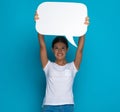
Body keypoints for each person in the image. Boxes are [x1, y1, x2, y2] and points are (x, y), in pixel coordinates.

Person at [34, 12, 89, 112]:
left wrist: (83, 28)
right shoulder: (48, 66)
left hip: (67, 107)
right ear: (52, 50)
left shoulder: (73, 66)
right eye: (56, 48)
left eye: (63, 48)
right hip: (49, 107)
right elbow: (42, 46)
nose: (59, 51)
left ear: (67, 49)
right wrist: (39, 23)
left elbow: (80, 50)